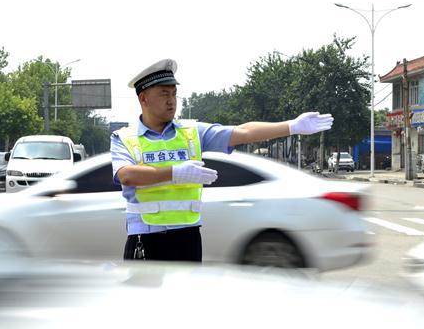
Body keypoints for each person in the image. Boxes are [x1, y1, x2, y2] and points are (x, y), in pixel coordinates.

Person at [111, 59, 333, 263]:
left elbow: (243, 132)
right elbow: (126, 175)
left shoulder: (192, 132)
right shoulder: (124, 138)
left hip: (188, 238)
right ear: (143, 98)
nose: (171, 101)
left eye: (174, 93)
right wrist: (175, 172)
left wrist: (291, 126)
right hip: (145, 238)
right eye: (163, 94)